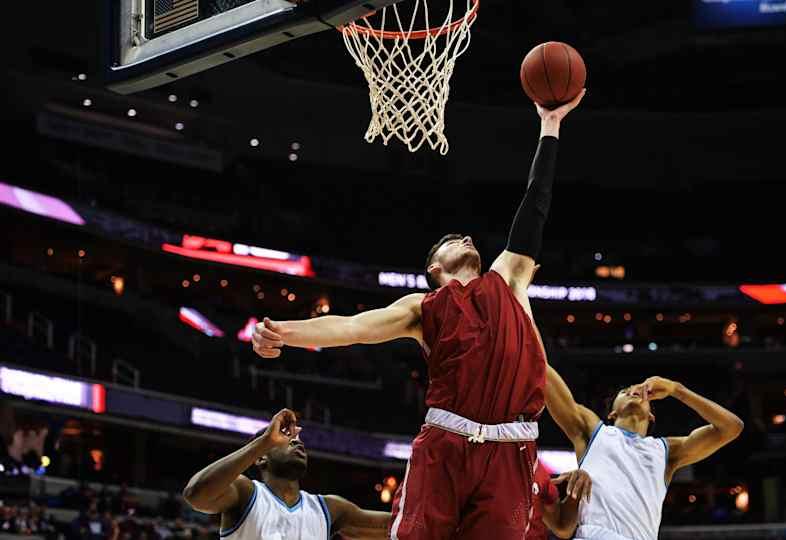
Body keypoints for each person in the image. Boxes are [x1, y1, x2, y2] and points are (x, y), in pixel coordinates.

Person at [252, 91, 585, 539]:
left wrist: (550, 127)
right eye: (452, 239)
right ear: (433, 268)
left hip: (513, 448)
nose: (465, 237)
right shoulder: (421, 308)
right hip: (445, 446)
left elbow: (535, 206)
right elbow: (351, 328)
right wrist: (281, 331)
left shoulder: (509, 279)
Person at [542, 368, 744, 540]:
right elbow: (544, 372)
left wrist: (676, 389)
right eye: (624, 391)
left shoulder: (666, 452)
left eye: (639, 391)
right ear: (612, 413)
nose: (633, 392)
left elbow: (731, 427)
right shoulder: (594, 432)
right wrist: (527, 330)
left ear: (651, 415)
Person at [182, 409, 390, 539]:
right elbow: (195, 495)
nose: (297, 443)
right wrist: (265, 441)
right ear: (261, 457)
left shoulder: (329, 508)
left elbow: (399, 527)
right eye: (286, 440)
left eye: (298, 441)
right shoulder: (246, 492)